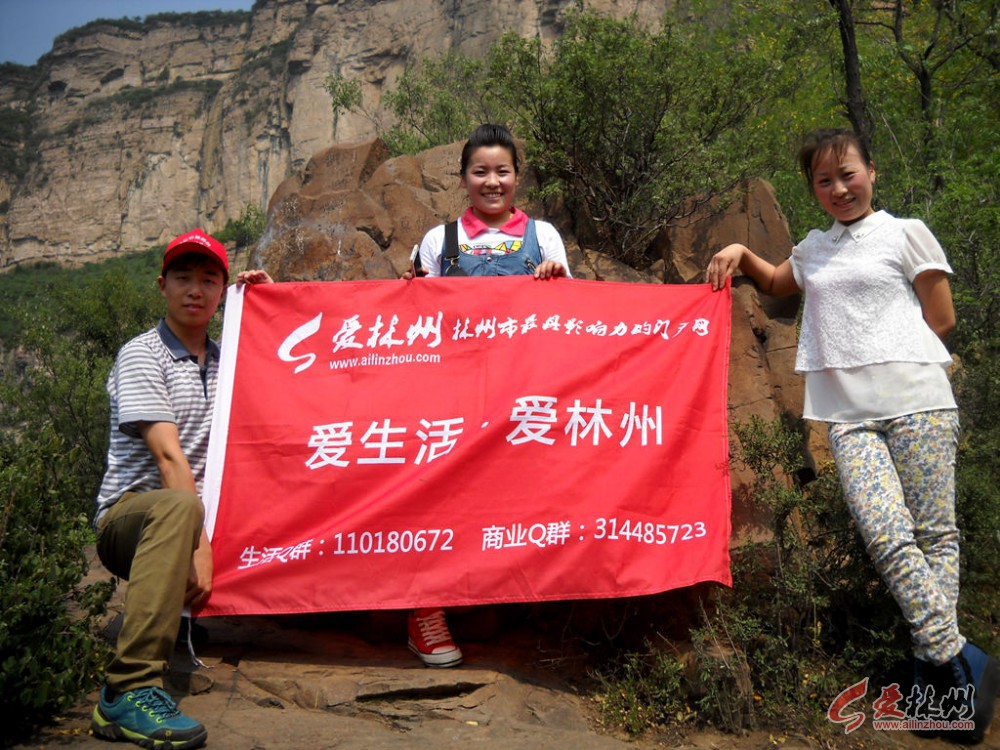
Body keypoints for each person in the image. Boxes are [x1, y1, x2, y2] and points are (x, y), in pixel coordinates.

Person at [705, 127, 999, 744]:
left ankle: (935, 684)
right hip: (847, 416)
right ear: (812, 188)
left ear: (872, 172)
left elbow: (941, 319)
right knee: (887, 535)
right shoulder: (815, 249)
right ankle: (959, 659)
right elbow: (777, 281)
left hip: (918, 403)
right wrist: (740, 252)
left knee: (936, 536)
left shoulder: (905, 232)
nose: (839, 188)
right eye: (824, 180)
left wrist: (887, 366)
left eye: (848, 174)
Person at [90, 229, 271, 749]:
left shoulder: (227, 358)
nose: (196, 290)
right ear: (162, 285)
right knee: (177, 505)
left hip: (194, 518)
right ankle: (127, 690)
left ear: (221, 292)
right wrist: (201, 549)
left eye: (210, 280)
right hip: (134, 519)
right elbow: (169, 460)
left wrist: (270, 307)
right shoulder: (141, 355)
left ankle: (179, 617)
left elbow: (291, 374)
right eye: (184, 278)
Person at [407, 123, 571, 667]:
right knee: (441, 501)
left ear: (518, 177)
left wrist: (557, 281)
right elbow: (413, 321)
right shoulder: (439, 242)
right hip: (454, 397)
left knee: (528, 499)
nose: (492, 181)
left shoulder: (544, 237)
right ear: (463, 179)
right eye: (480, 172)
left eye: (502, 171)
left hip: (524, 400)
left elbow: (574, 323)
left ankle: (535, 610)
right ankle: (425, 611)